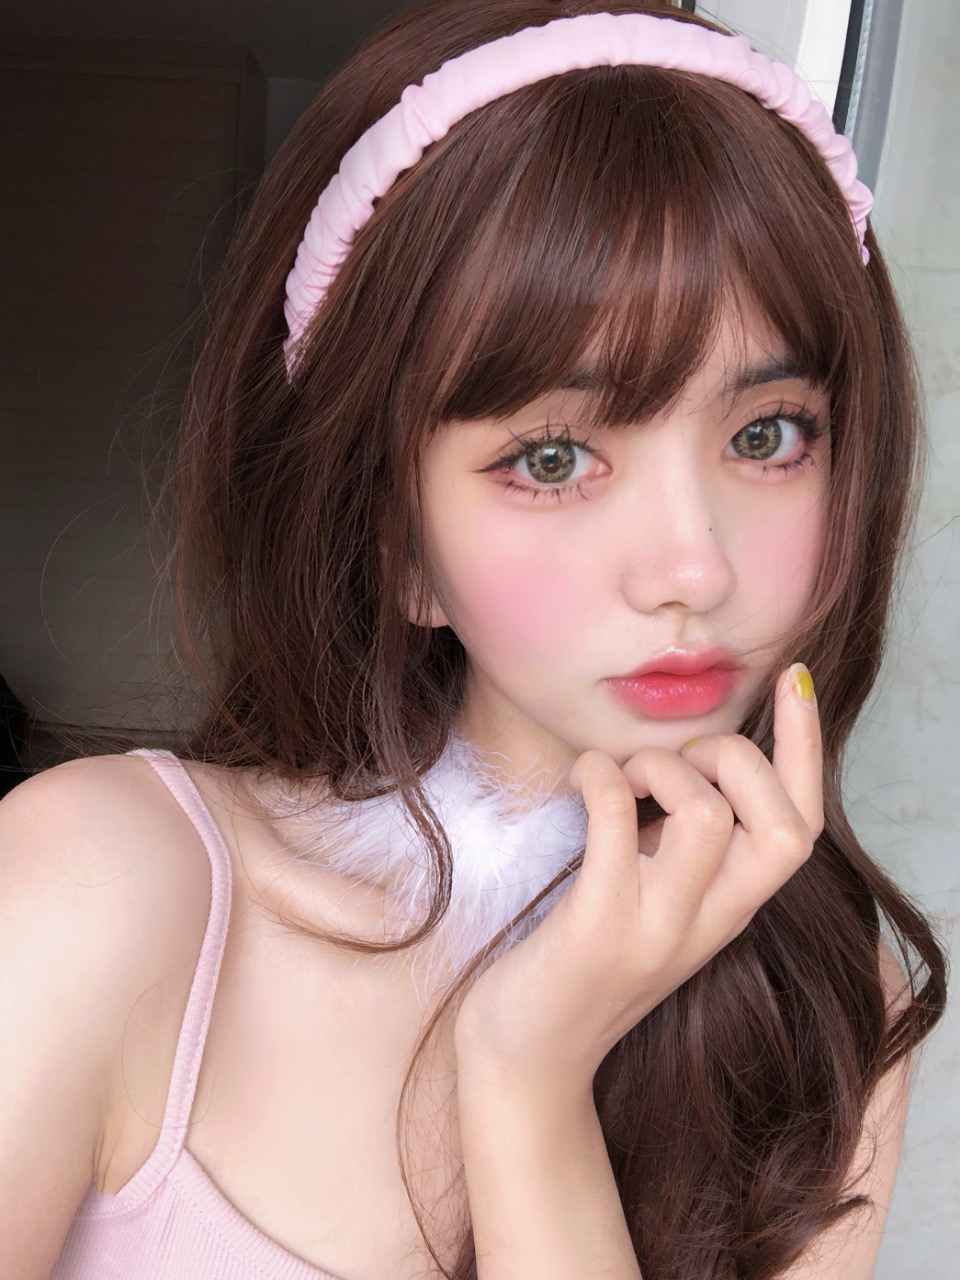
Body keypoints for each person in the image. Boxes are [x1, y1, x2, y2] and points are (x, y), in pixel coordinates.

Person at [1, 3, 948, 1279]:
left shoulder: (828, 1009)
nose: (695, 568)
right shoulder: (101, 882)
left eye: (767, 434)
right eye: (553, 459)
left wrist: (528, 1075)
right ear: (398, 539)